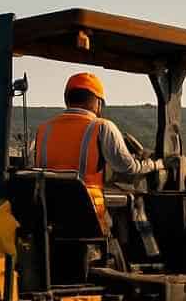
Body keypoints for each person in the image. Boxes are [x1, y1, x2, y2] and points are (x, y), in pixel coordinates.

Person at [32, 72, 176, 228]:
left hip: (49, 213)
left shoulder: (43, 129)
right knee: (130, 214)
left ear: (66, 99)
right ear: (98, 102)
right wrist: (157, 164)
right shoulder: (101, 126)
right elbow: (129, 168)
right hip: (88, 214)